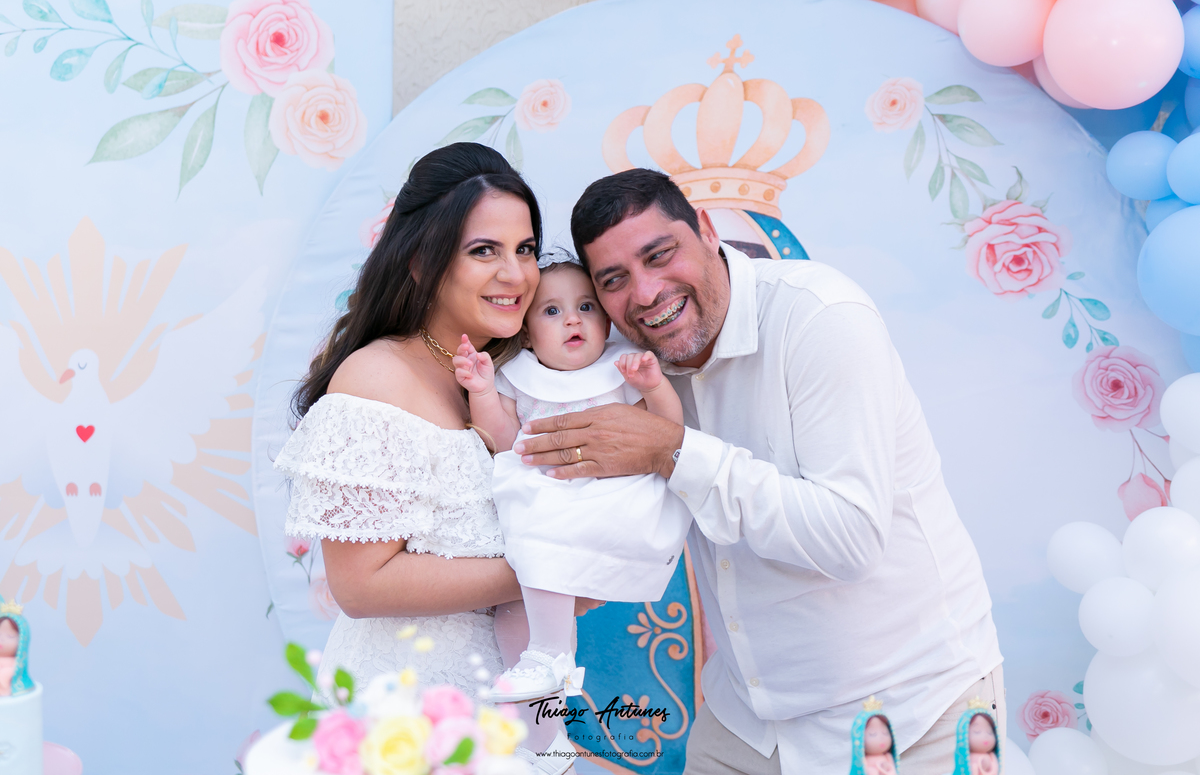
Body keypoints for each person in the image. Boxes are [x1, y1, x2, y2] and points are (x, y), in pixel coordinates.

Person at [512, 168, 1005, 775]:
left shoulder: (821, 319)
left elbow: (850, 539)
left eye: (660, 254)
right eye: (614, 280)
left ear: (708, 231)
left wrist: (671, 451)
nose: (644, 292)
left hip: (912, 714)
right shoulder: (629, 368)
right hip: (744, 720)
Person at [275, 143, 593, 774]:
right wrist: (552, 571)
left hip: (516, 709)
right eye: (485, 251)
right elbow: (360, 585)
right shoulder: (376, 377)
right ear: (422, 261)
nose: (517, 275)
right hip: (406, 718)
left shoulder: (518, 378)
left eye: (525, 249)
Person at [452, 256, 691, 702]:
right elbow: (506, 442)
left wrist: (655, 387)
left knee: (541, 546)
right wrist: (482, 392)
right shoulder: (519, 378)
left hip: (611, 501)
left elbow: (666, 432)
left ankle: (549, 654)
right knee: (516, 607)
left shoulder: (623, 370)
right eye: (552, 311)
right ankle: (544, 699)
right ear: (526, 332)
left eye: (586, 307)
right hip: (549, 501)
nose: (571, 320)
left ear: (605, 320)